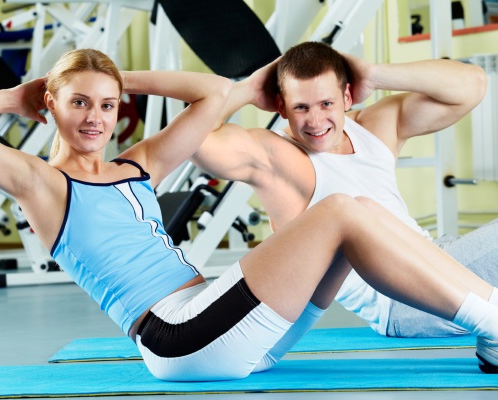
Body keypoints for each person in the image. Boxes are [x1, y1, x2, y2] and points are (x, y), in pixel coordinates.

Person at [0, 48, 498, 381]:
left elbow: (212, 93)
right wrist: (25, 93)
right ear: (51, 108)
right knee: (342, 209)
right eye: (79, 103)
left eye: (108, 104)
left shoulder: (138, 166)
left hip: (234, 329)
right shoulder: (39, 182)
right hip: (177, 336)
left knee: (352, 218)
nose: (95, 117)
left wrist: (116, 76)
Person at [192, 41, 498, 339]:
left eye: (326, 103)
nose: (315, 121)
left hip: (441, 261)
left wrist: (375, 74)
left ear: (347, 96)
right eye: (301, 107)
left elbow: (473, 84)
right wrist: (249, 89)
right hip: (405, 301)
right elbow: (193, 140)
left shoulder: (373, 127)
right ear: (281, 107)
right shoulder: (275, 157)